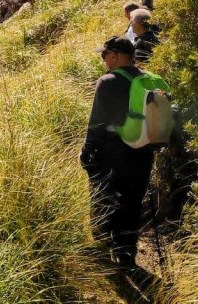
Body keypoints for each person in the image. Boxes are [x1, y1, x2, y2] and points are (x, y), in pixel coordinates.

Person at [80, 36, 155, 267]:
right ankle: (126, 252)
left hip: (113, 154)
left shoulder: (108, 81)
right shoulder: (149, 80)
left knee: (104, 196)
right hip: (144, 153)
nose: (104, 60)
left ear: (114, 55)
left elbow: (97, 122)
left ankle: (102, 245)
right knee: (132, 202)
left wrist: (87, 151)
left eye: (104, 55)